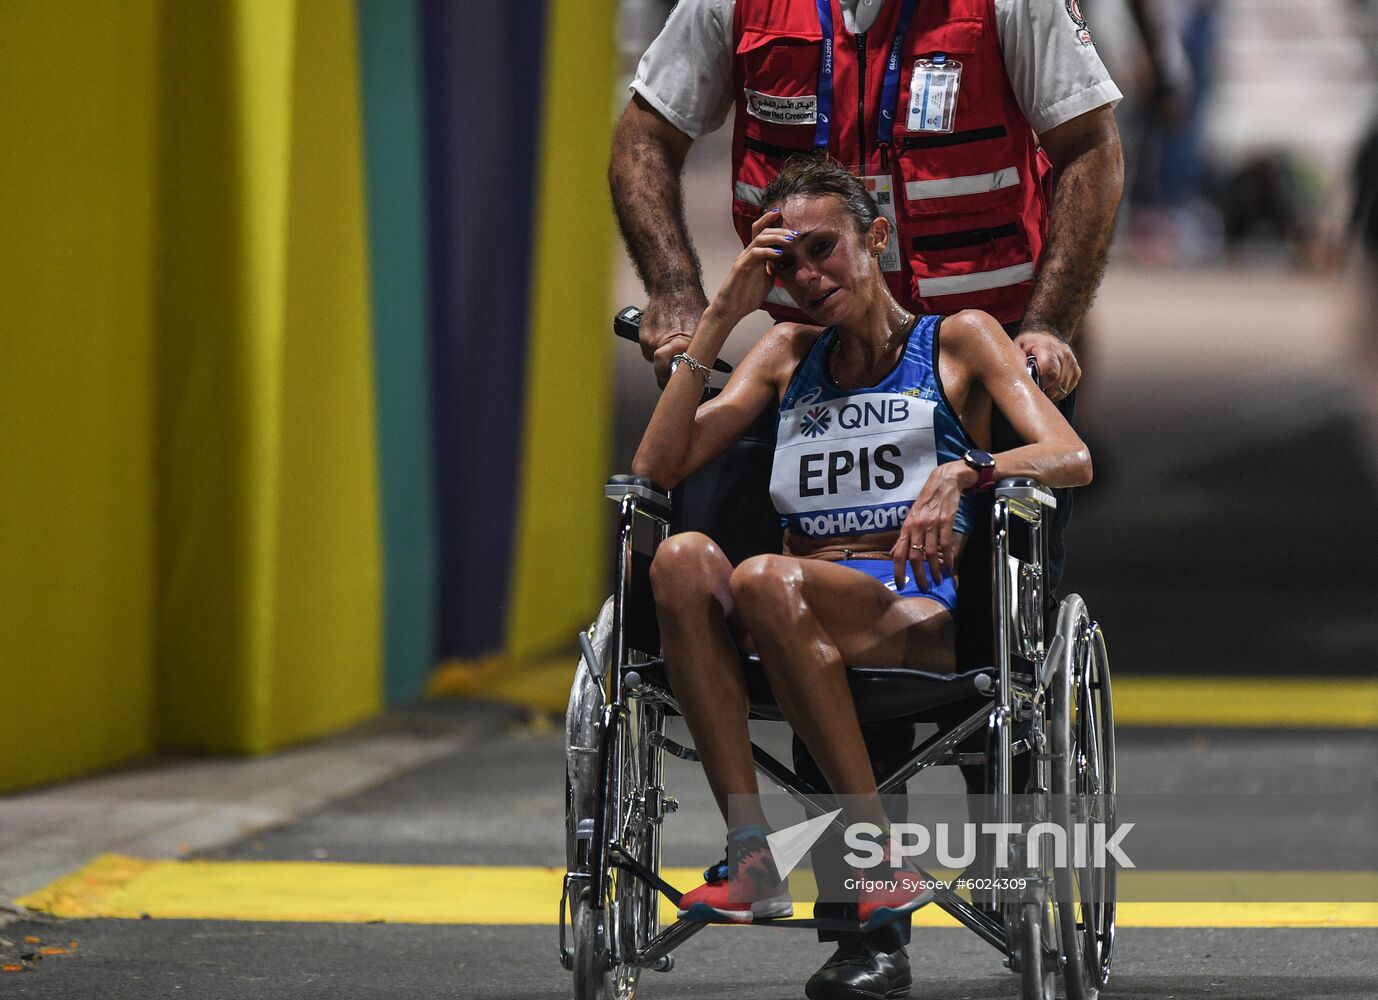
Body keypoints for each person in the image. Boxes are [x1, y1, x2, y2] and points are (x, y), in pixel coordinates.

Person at [611, 2, 1121, 995]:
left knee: (871, 607)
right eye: (788, 257)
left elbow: (1090, 148)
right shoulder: (784, 344)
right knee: (700, 560)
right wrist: (696, 306)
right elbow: (658, 466)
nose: (804, 274)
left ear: (871, 240)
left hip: (951, 447)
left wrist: (1042, 340)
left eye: (824, 253)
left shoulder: (960, 337)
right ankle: (809, 888)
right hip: (815, 553)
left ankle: (990, 841)